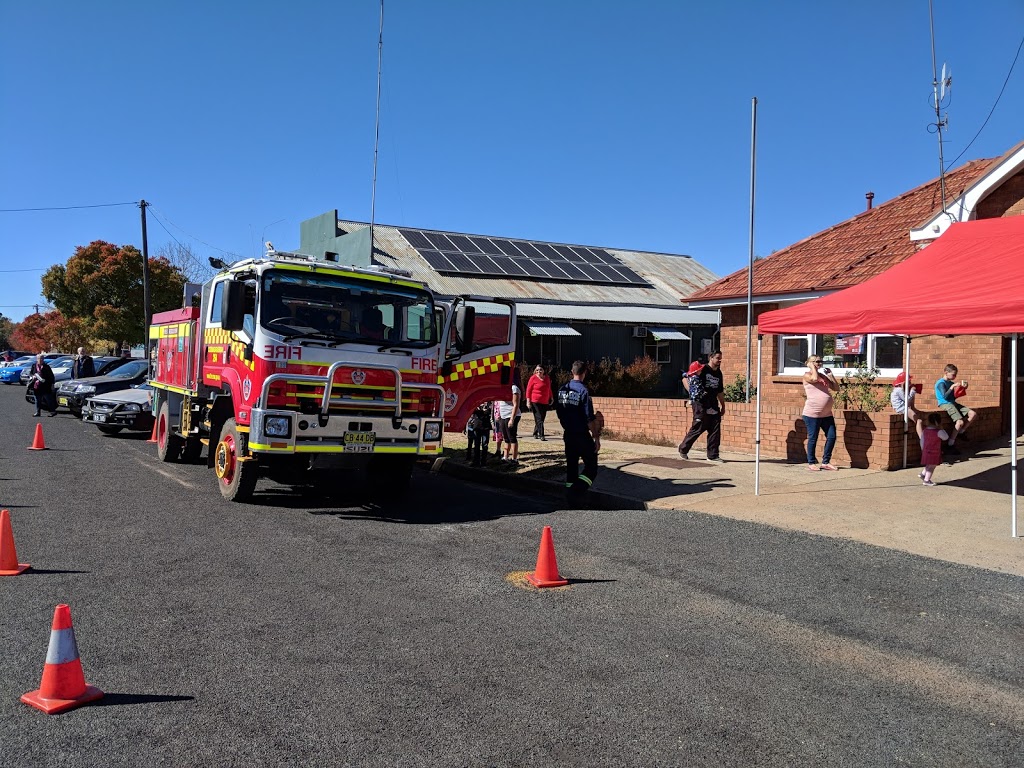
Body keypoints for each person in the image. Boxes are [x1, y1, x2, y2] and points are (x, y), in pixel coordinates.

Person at [555, 360, 601, 503]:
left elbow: (559, 411)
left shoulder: (562, 389)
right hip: (581, 435)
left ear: (572, 372)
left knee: (572, 466)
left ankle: (572, 498)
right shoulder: (583, 391)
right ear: (584, 373)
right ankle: (575, 492)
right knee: (592, 467)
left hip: (568, 434)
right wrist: (596, 437)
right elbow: (589, 418)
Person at [677, 351, 726, 463]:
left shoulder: (719, 373)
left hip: (713, 403)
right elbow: (685, 378)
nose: (720, 361)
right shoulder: (702, 369)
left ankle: (712, 455)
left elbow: (720, 391)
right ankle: (683, 449)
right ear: (711, 358)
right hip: (700, 403)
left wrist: (723, 405)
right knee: (698, 426)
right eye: (718, 358)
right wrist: (692, 393)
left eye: (721, 358)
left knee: (715, 428)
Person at [801, 354, 840, 471]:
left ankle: (826, 462)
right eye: (816, 362)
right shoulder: (807, 375)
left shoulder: (822, 376)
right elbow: (813, 379)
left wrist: (831, 376)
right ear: (810, 363)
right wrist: (812, 367)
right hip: (812, 414)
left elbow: (836, 388)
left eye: (820, 361)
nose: (819, 363)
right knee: (813, 438)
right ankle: (811, 462)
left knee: (832, 436)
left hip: (826, 414)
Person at [935, 364, 976, 455]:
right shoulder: (941, 383)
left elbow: (955, 396)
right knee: (960, 422)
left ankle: (961, 432)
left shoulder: (951, 383)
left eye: (955, 375)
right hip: (945, 403)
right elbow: (945, 396)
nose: (954, 377)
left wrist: (963, 388)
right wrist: (952, 388)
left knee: (972, 414)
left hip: (952, 402)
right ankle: (950, 444)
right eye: (953, 374)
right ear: (946, 373)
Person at [916, 412, 949, 486]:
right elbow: (946, 437)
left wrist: (923, 449)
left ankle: (923, 474)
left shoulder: (925, 431)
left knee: (929, 464)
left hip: (926, 450)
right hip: (935, 452)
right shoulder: (939, 431)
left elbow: (922, 440)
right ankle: (927, 480)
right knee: (932, 466)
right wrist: (942, 428)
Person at [495, 378, 522, 465]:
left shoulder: (514, 388)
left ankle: (514, 459)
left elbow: (516, 404)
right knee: (506, 437)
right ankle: (505, 457)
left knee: (512, 437)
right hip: (503, 415)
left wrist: (512, 419)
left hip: (511, 415)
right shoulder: (501, 388)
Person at [525, 364, 553, 441]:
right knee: (539, 418)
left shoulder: (547, 378)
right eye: (537, 370)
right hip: (535, 401)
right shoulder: (533, 378)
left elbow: (549, 388)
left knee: (541, 419)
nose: (539, 371)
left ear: (544, 370)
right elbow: (528, 390)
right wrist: (528, 401)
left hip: (545, 401)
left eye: (540, 370)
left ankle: (535, 432)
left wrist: (551, 397)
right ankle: (542, 435)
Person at [29, 353, 57, 417]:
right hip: (37, 385)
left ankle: (53, 411)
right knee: (37, 400)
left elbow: (51, 376)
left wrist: (52, 384)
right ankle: (38, 412)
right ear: (37, 359)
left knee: (48, 400)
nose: (41, 359)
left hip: (46, 386)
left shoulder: (46, 366)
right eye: (39, 358)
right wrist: (32, 376)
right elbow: (31, 373)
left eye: (42, 358)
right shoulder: (34, 365)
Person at [465, 401, 492, 467]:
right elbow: (471, 411)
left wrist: (482, 411)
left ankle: (483, 462)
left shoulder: (489, 403)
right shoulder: (476, 402)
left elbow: (489, 411)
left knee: (484, 444)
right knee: (476, 444)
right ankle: (476, 461)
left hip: (486, 426)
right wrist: (479, 410)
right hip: (477, 426)